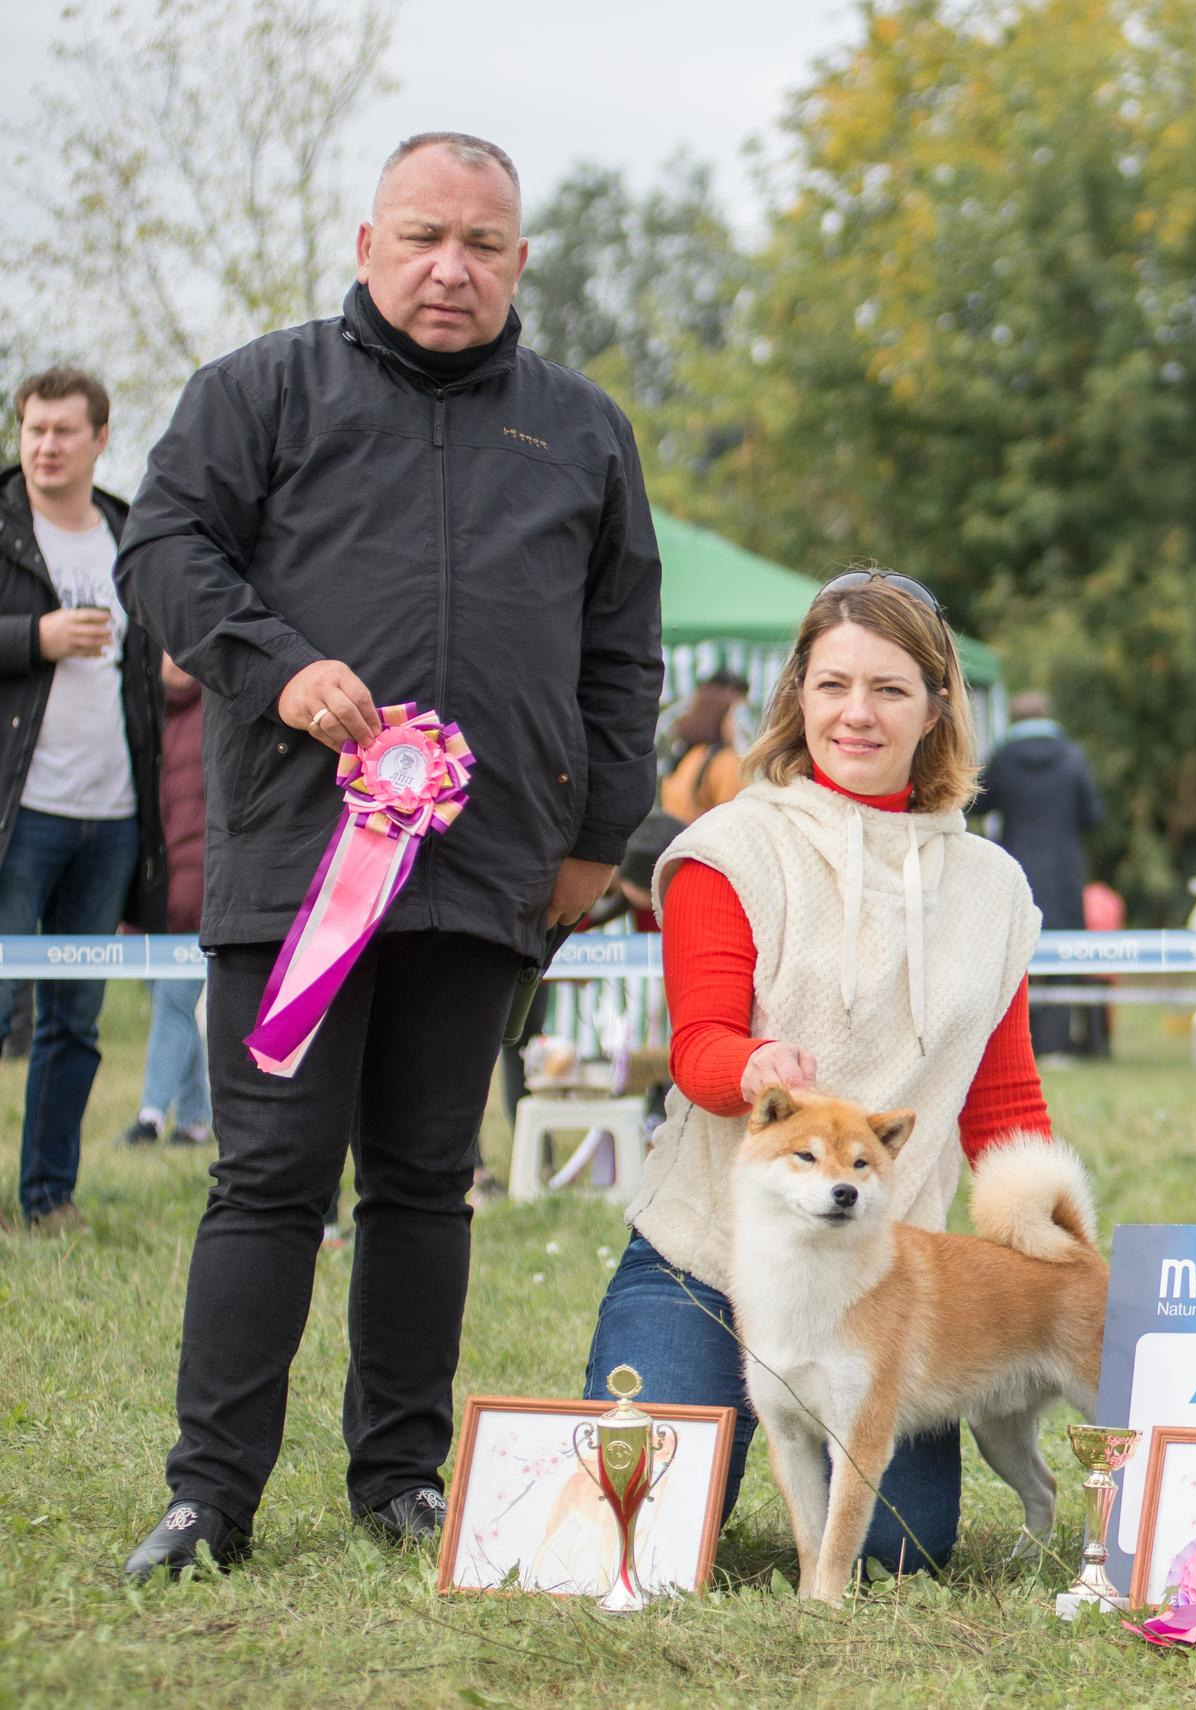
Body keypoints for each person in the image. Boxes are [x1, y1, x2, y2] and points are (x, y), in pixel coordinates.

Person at [116, 132, 664, 1579]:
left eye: (483, 245)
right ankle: (209, 1494)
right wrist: (275, 667)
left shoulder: (584, 430)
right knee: (270, 1177)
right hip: (299, 863)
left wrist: (593, 840)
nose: (450, 267)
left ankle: (401, 1476)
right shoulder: (257, 391)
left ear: (521, 263)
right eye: (424, 236)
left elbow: (623, 653)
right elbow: (162, 549)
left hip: (490, 875)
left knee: (427, 1181)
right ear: (368, 241)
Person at [588, 571, 1054, 1576]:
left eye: (890, 689)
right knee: (636, 1534)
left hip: (882, 1267)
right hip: (709, 1259)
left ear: (936, 708)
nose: (857, 713)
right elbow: (698, 1043)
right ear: (797, 693)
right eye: (833, 684)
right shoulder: (730, 848)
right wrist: (753, 1064)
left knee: (900, 1554)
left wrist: (1039, 1249)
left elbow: (1005, 1099)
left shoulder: (994, 888)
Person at [0, 367, 167, 1234]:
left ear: (101, 437)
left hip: (111, 819)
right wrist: (35, 637)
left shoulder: (128, 533)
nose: (46, 445)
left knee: (76, 1024)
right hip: (17, 814)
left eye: (65, 430)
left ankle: (47, 1199)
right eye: (33, 429)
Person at [973, 690, 1105, 1057]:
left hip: (1016, 868)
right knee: (1065, 953)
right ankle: (1058, 1043)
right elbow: (1093, 814)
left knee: (1016, 955)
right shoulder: (1072, 757)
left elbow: (977, 802)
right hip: (1063, 872)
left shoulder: (1002, 758)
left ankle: (1020, 1045)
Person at [125, 654, 212, 1147]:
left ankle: (151, 1115)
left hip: (202, 894)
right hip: (158, 900)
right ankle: (195, 1120)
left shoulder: (214, 715)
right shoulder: (145, 719)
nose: (175, 661)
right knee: (170, 1003)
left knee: (175, 1003)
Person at [659, 671, 748, 823]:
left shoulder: (686, 754)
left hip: (678, 839)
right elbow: (734, 818)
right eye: (733, 717)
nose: (735, 725)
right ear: (719, 717)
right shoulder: (725, 761)